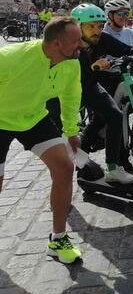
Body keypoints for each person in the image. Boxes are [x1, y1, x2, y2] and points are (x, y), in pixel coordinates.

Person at [0, 17, 83, 263]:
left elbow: (71, 96)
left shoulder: (72, 63)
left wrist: (71, 131)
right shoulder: (11, 58)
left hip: (34, 118)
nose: (81, 45)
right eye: (76, 41)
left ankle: (58, 240)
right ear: (57, 44)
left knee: (65, 167)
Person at [66, 4, 133, 182]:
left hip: (91, 87)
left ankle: (113, 169)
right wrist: (94, 66)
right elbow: (71, 77)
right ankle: (71, 165)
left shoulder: (102, 39)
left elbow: (124, 49)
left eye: (99, 25)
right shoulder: (69, 47)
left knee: (112, 116)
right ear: (77, 26)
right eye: (90, 26)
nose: (97, 31)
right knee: (64, 133)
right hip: (69, 92)